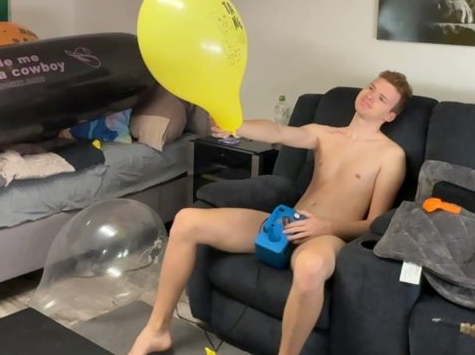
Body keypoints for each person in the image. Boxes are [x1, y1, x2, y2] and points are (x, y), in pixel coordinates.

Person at [129, 70, 413, 355]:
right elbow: (278, 132)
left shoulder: (390, 156)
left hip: (327, 236)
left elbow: (374, 224)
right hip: (285, 221)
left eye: (382, 98)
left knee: (311, 266)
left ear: (390, 115)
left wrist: (326, 227)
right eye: (371, 88)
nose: (371, 97)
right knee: (186, 221)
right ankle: (157, 330)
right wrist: (236, 126)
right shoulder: (324, 134)